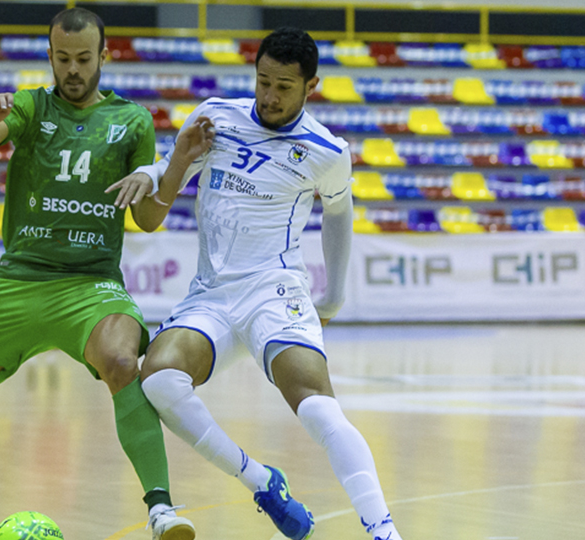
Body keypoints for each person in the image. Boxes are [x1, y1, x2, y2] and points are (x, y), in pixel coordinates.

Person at [0, 8, 202, 540]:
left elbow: (145, 219)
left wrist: (168, 174)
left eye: (82, 59)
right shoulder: (32, 104)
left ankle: (161, 509)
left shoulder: (133, 121)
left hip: (91, 287)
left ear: (105, 56)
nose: (72, 70)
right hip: (18, 282)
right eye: (62, 59)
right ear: (50, 56)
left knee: (125, 362)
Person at [126, 27, 403, 540]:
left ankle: (382, 529)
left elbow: (339, 211)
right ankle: (260, 481)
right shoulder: (215, 116)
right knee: (158, 378)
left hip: (274, 291)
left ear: (310, 86)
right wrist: (158, 166)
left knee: (317, 406)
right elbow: (169, 171)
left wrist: (334, 293)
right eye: (262, 82)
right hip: (210, 294)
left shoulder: (325, 149)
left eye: (283, 87)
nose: (270, 97)